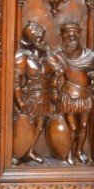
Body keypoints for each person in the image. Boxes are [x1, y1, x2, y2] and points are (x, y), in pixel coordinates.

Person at [12, 20, 62, 164]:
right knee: (27, 124)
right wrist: (19, 99)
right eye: (39, 38)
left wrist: (54, 84)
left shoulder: (46, 55)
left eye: (42, 37)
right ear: (31, 41)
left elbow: (59, 69)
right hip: (31, 97)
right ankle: (19, 152)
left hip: (45, 96)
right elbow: (16, 81)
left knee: (40, 125)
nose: (42, 40)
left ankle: (30, 151)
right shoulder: (23, 57)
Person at [54, 21, 94, 165]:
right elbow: (54, 77)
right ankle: (69, 152)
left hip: (85, 96)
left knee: (84, 126)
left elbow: (92, 73)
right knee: (72, 127)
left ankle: (79, 150)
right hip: (69, 95)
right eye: (66, 38)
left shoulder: (89, 55)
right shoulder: (60, 56)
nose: (69, 41)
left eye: (72, 37)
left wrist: (93, 77)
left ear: (78, 37)